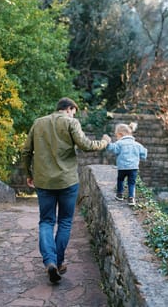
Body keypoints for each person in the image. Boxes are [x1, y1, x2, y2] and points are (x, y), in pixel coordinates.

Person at [22, 97, 111, 284]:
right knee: (64, 222)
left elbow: (26, 151)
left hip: (44, 181)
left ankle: (50, 262)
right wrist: (104, 141)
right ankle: (59, 261)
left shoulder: (38, 123)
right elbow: (86, 146)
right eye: (73, 111)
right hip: (67, 182)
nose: (73, 114)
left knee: (46, 221)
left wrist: (28, 173)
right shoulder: (71, 122)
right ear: (69, 108)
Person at [106, 122, 147, 206]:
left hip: (122, 168)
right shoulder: (137, 144)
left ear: (120, 134)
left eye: (116, 136)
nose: (116, 138)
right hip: (133, 168)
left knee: (120, 180)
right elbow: (144, 153)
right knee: (131, 183)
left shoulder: (119, 143)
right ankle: (131, 198)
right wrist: (141, 157)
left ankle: (120, 194)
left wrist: (107, 143)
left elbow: (113, 149)